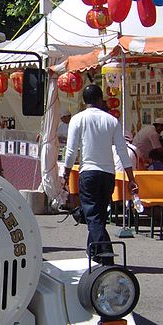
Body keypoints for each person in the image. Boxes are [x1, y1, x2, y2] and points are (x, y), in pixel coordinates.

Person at [63, 84, 138, 262]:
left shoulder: (78, 119)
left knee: (93, 215)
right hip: (108, 174)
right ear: (99, 99)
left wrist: (65, 172)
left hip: (88, 171)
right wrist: (131, 178)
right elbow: (122, 151)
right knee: (100, 215)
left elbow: (71, 151)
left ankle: (105, 254)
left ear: (84, 101)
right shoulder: (112, 121)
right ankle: (94, 252)